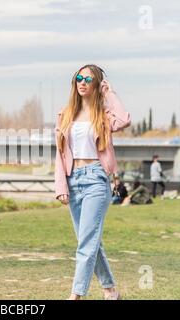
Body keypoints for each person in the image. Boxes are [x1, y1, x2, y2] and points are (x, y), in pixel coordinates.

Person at [54, 64, 131, 300]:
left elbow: (124, 120)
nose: (82, 82)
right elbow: (59, 154)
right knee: (89, 241)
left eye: (88, 79)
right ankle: (110, 290)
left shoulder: (104, 114)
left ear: (97, 84)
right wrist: (61, 186)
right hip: (73, 180)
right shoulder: (65, 114)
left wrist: (110, 94)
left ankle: (76, 295)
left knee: (86, 242)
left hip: (96, 180)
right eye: (79, 78)